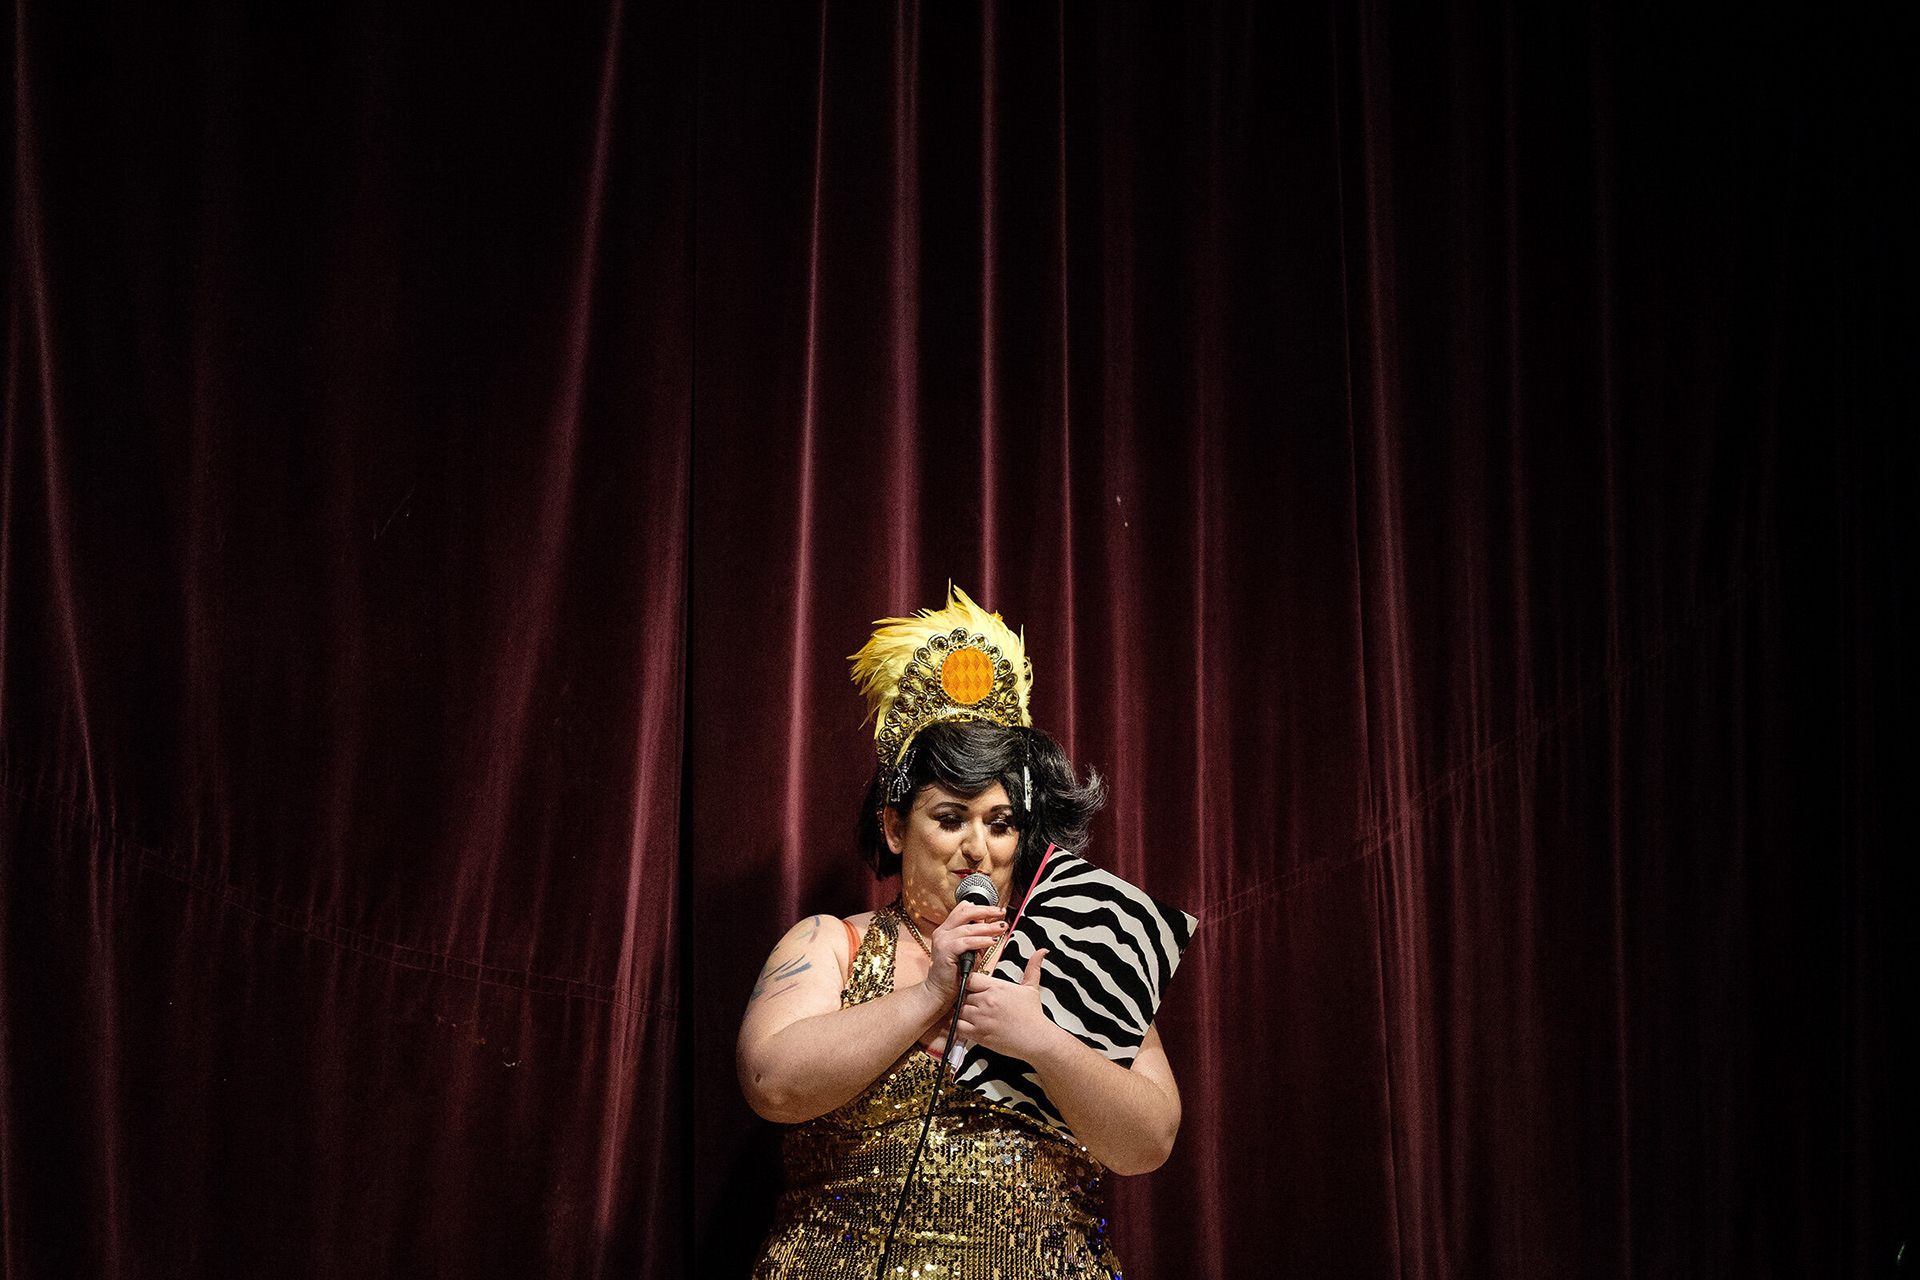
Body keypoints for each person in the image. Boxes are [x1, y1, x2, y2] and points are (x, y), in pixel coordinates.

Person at [738, 587, 1181, 1280]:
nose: (978, 849)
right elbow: (770, 1082)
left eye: (1001, 824)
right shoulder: (830, 941)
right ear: (895, 826)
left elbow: (1149, 1141)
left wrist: (1040, 1040)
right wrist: (929, 995)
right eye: (950, 819)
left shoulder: (1077, 946)